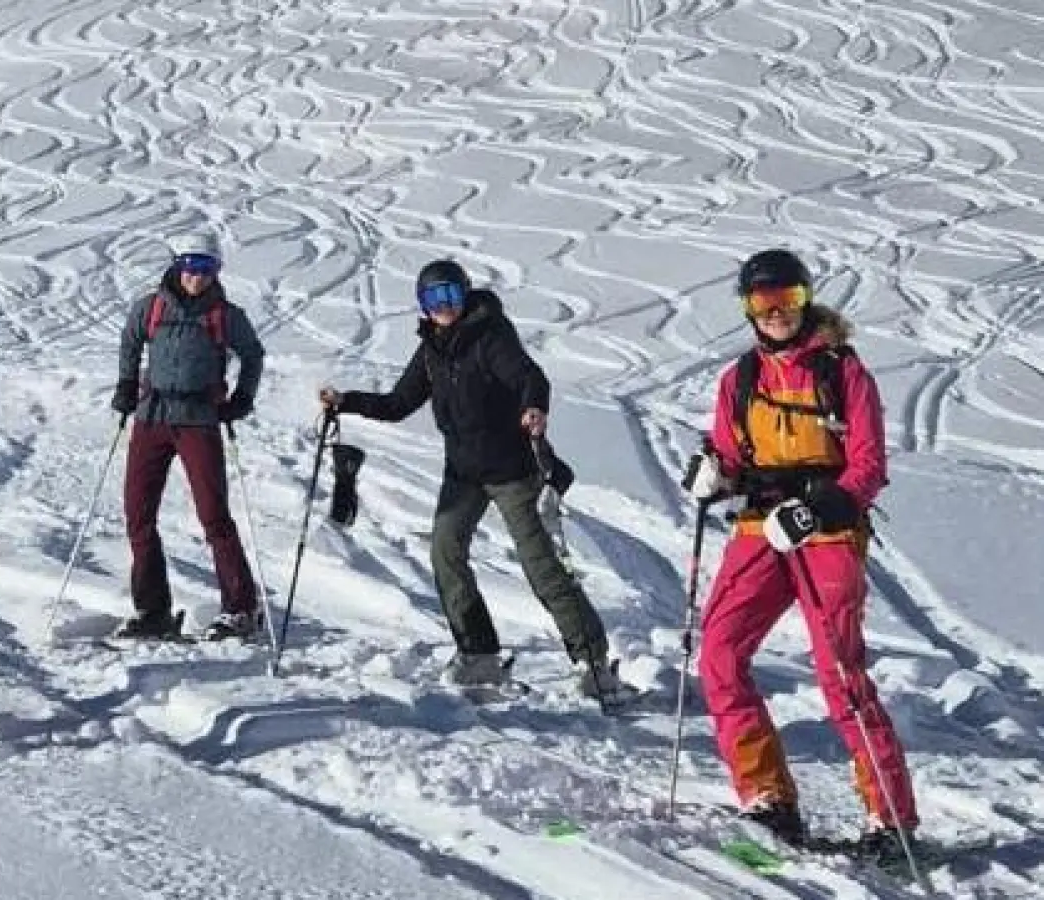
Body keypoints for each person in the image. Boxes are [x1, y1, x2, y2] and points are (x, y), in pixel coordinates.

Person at [683, 248, 916, 854]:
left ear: (806, 299)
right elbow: (730, 454)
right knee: (719, 653)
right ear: (747, 309)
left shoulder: (842, 372)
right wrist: (712, 474)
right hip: (761, 527)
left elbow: (867, 467)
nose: (777, 312)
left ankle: (890, 818)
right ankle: (768, 797)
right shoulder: (740, 379)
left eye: (788, 299)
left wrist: (818, 509)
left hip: (827, 532)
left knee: (839, 671)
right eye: (763, 302)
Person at [319, 260, 626, 704]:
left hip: (512, 472)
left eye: (450, 295)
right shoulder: (432, 350)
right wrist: (346, 402)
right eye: (433, 299)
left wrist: (534, 407)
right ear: (422, 306)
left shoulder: (490, 335)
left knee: (541, 567)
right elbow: (398, 403)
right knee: (445, 553)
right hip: (463, 474)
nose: (443, 307)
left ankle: (592, 662)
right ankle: (478, 653)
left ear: (464, 295)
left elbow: (529, 377)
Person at [111, 233, 266, 641]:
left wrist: (242, 398)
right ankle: (153, 610)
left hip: (199, 419)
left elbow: (253, 354)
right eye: (191, 266)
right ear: (178, 265)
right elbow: (130, 341)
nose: (197, 277)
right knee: (138, 514)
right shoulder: (151, 307)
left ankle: (241, 608)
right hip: (152, 417)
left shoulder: (225, 315)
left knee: (213, 515)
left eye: (207, 268)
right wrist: (126, 384)